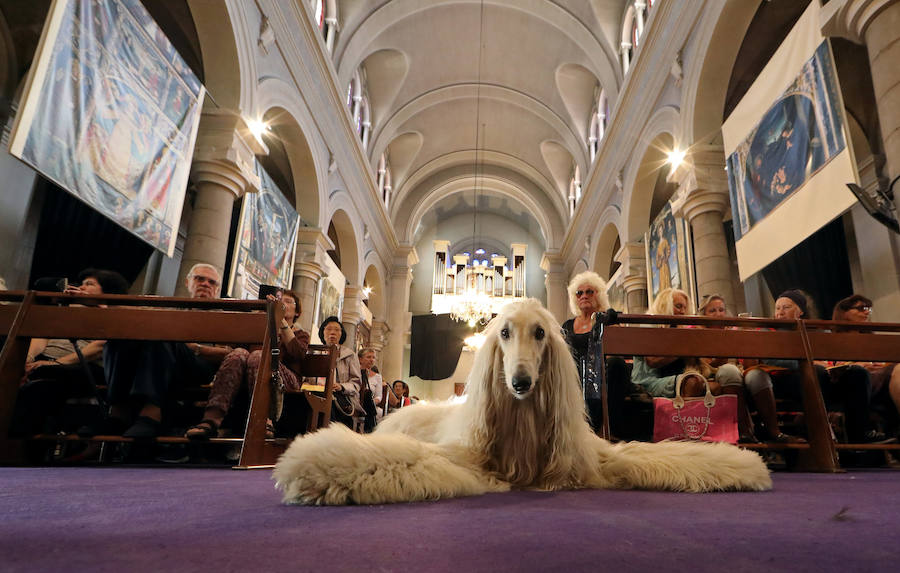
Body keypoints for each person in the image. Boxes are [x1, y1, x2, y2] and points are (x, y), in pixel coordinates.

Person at [83, 263, 232, 439]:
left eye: (212, 282)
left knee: (161, 333)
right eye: (200, 279)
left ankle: (150, 413)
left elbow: (230, 354)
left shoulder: (226, 316)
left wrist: (194, 348)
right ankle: (118, 413)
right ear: (188, 282)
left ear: (217, 289)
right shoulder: (170, 308)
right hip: (159, 360)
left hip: (198, 367)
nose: (205, 284)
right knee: (120, 340)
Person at [185, 290, 310, 439]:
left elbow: (298, 353)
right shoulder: (260, 329)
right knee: (238, 353)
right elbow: (236, 349)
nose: (282, 303)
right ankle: (211, 419)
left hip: (285, 380)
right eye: (279, 300)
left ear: (297, 312)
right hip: (251, 373)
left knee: (259, 356)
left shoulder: (300, 334)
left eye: (288, 301)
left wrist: (280, 321)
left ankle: (264, 420)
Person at [696, 294, 803, 443]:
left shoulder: (734, 329)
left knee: (757, 375)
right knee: (729, 370)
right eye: (712, 310)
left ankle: (775, 432)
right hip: (715, 375)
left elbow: (750, 366)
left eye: (721, 309)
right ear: (704, 314)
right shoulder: (699, 333)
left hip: (741, 373)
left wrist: (747, 340)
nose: (718, 314)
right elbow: (706, 365)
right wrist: (722, 354)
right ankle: (745, 431)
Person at [561, 271, 629, 437]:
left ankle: (608, 430)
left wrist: (609, 322)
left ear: (598, 295)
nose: (584, 295)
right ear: (574, 298)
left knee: (616, 365)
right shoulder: (567, 325)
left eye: (589, 291)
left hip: (602, 375)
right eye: (579, 293)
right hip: (574, 376)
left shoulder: (606, 319)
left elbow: (621, 346)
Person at [831, 294, 899, 441]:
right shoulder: (833, 340)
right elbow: (832, 365)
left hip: (880, 376)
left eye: (868, 308)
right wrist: (860, 365)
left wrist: (880, 365)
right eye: (861, 308)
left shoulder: (871, 338)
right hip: (855, 380)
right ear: (844, 313)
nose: (866, 312)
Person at [318, 316, 362, 427]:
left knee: (329, 404)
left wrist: (341, 386)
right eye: (328, 329)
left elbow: (356, 383)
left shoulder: (350, 355)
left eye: (337, 330)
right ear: (322, 332)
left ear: (341, 334)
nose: (332, 332)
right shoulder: (316, 352)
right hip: (319, 393)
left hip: (343, 397)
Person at [357, 347, 383, 432]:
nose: (371, 360)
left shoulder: (377, 377)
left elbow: (379, 396)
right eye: (368, 357)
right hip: (355, 400)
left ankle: (369, 430)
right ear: (360, 359)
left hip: (369, 403)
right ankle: (371, 430)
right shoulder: (354, 372)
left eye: (373, 357)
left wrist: (373, 401)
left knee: (368, 395)